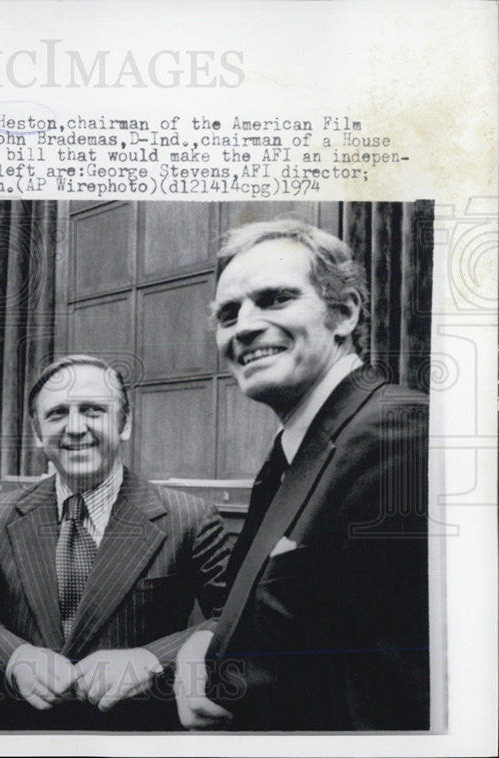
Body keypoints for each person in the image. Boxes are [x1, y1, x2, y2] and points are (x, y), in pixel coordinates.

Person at [174, 219, 430, 731]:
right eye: (228, 314)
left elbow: (396, 702)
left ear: (344, 312)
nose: (243, 327)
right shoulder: (293, 452)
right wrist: (200, 647)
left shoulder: (400, 436)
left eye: (274, 299)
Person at [0, 355, 230, 730]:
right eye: (57, 414)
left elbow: (232, 621)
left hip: (134, 736)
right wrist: (15, 657)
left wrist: (151, 659)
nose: (75, 427)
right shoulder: (0, 515)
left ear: (124, 424)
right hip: (21, 736)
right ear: (36, 433)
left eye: (93, 410)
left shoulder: (190, 518)